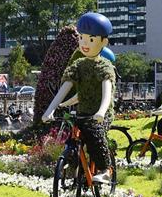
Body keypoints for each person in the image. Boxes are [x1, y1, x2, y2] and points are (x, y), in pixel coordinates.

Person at [42, 12, 116, 183]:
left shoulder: (105, 66)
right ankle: (75, 170)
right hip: (83, 111)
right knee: (73, 137)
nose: (84, 43)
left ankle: (105, 170)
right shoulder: (77, 65)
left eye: (91, 39)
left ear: (103, 42)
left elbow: (107, 91)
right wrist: (51, 109)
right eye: (82, 38)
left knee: (95, 134)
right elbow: (66, 89)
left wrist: (102, 112)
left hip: (100, 114)